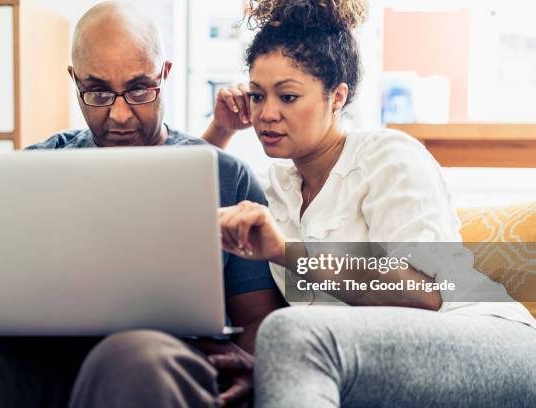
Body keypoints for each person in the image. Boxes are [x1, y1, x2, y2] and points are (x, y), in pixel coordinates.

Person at [0, 2, 285, 407]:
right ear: (74, 80)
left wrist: (254, 365)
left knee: (131, 357)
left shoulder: (225, 176)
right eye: (96, 91)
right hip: (33, 374)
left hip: (149, 369)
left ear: (164, 74)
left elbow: (256, 317)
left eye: (138, 90)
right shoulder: (32, 170)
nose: (119, 115)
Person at [202, 0, 536, 407]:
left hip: (487, 340)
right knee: (268, 344)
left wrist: (291, 254)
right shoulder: (279, 187)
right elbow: (194, 204)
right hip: (371, 357)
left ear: (336, 96)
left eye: (287, 97)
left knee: (291, 331)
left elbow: (424, 294)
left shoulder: (388, 155)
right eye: (256, 96)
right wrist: (220, 131)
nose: (266, 114)